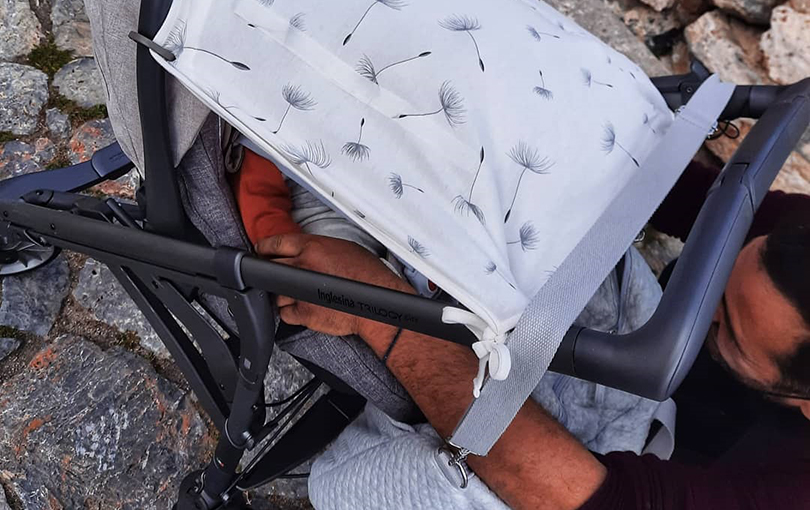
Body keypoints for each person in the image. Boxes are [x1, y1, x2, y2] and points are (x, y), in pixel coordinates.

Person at [234, 150, 810, 509]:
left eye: (728, 328)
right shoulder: (800, 246)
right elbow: (666, 187)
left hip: (635, 488)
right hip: (652, 407)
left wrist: (381, 312)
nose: (701, 306)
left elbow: (591, 499)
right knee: (596, 257)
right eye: (715, 277)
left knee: (477, 498)